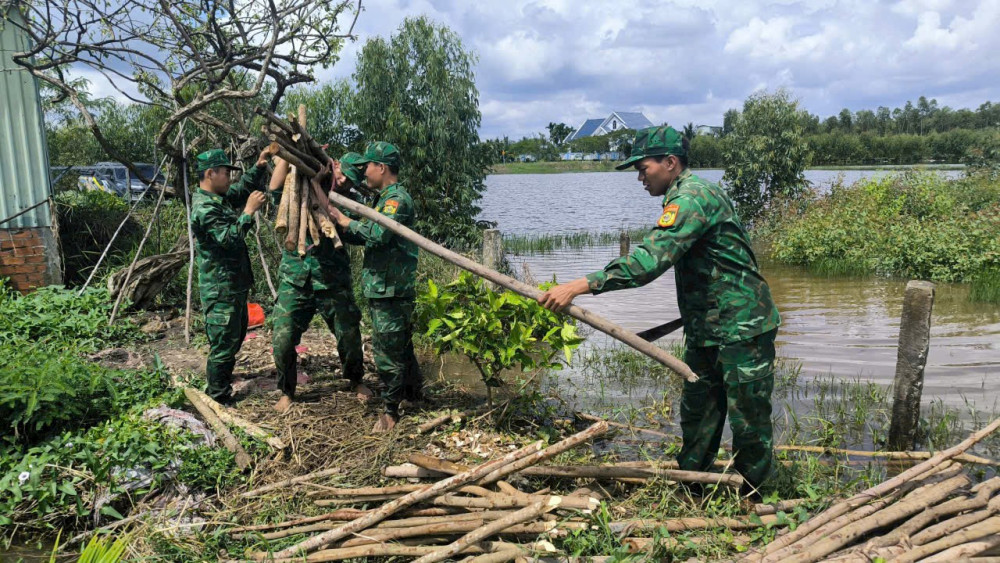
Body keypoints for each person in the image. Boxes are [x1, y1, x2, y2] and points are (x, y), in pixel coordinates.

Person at [537, 126, 782, 494]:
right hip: (708, 328)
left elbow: (648, 262)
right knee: (699, 414)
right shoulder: (685, 196)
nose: (639, 177)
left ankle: (758, 498)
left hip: (742, 327)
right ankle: (691, 488)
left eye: (643, 168)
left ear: (670, 163)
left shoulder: (692, 199)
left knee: (749, 423)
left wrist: (578, 286)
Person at [316, 141, 421, 433]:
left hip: (391, 289)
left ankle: (390, 413)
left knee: (387, 351)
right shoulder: (382, 198)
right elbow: (364, 236)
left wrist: (345, 219)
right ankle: (413, 395)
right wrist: (338, 225)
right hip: (384, 288)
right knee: (401, 345)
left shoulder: (395, 200)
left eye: (368, 166)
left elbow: (376, 234)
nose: (364, 173)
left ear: (382, 167)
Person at [268, 153, 369, 414]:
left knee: (348, 334)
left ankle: (356, 380)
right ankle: (287, 391)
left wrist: (336, 214)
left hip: (333, 280)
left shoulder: (348, 200)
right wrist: (286, 155)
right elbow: (273, 188)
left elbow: (356, 234)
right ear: (334, 164)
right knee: (283, 337)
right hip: (295, 276)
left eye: (351, 180)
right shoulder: (297, 184)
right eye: (344, 173)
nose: (345, 181)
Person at [190, 147, 271, 404]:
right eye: (225, 172)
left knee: (233, 339)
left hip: (232, 285)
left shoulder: (219, 198)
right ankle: (218, 398)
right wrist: (248, 212)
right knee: (223, 345)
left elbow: (240, 190)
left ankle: (222, 383)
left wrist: (259, 166)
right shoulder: (205, 208)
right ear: (211, 173)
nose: (229, 178)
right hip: (220, 288)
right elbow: (228, 239)